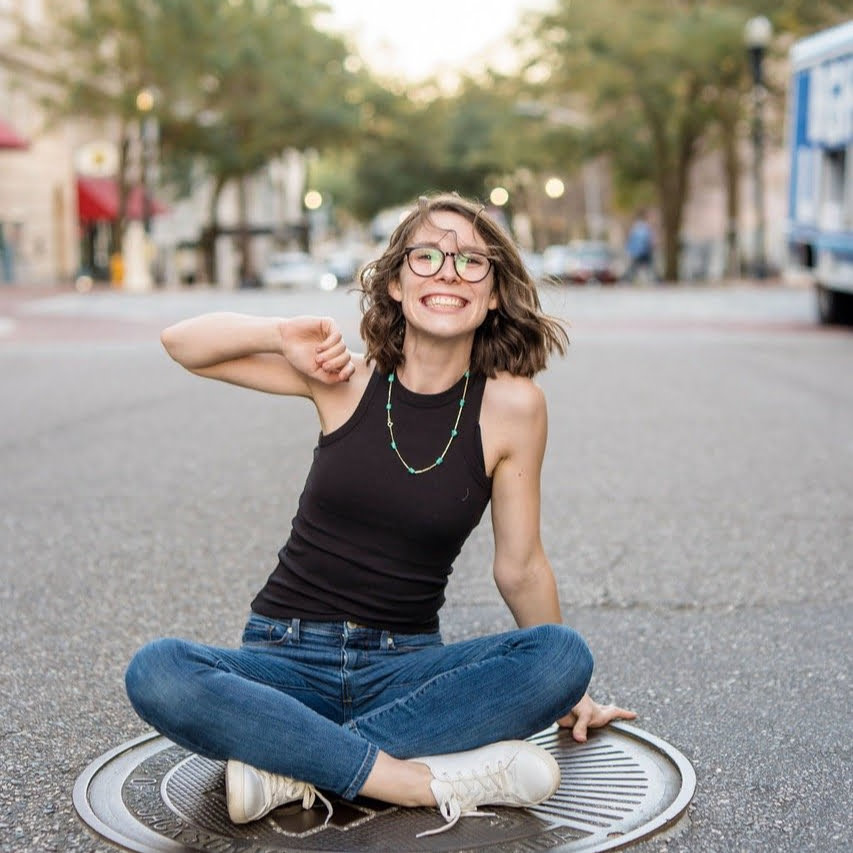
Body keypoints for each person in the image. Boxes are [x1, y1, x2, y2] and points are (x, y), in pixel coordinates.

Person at [125, 192, 635, 838]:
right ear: (396, 282)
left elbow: (521, 565)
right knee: (157, 670)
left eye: (470, 261)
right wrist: (277, 333)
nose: (447, 271)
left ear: (494, 293)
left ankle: (294, 761)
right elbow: (182, 344)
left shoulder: (514, 407)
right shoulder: (343, 378)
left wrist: (570, 693)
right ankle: (408, 778)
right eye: (426, 255)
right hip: (285, 655)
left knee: (562, 657)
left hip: (403, 670)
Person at [625, 209, 657, 283]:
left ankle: (627, 279)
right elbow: (648, 239)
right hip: (644, 251)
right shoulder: (645, 227)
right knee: (648, 267)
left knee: (634, 267)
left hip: (637, 252)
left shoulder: (635, 227)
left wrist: (629, 250)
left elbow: (630, 239)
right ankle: (653, 280)